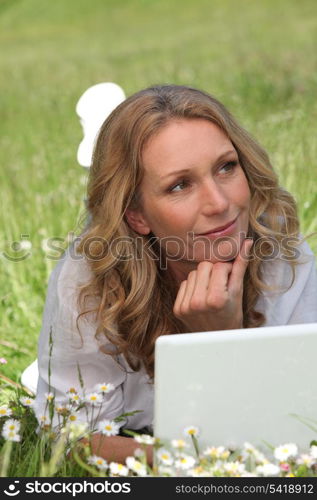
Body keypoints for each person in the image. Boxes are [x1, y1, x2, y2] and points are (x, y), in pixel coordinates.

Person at [34, 84, 317, 465]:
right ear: (136, 215)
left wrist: (221, 337)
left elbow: (300, 414)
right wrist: (192, 463)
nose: (221, 203)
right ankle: (99, 137)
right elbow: (66, 437)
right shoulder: (86, 279)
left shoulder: (279, 248)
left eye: (226, 167)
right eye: (179, 185)